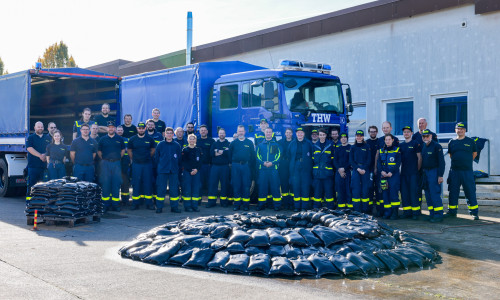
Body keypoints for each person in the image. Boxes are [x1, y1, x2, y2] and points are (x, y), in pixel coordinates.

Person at [447, 122, 479, 220]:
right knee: (453, 192)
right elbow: (451, 155)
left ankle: (474, 213)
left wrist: (466, 161)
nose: (460, 130)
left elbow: (475, 154)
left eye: (462, 129)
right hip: (454, 172)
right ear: (455, 130)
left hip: (467, 172)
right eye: (458, 129)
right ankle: (452, 212)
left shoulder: (470, 141)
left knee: (470, 192)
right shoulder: (451, 142)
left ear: (465, 130)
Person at [128, 122, 156, 211]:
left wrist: (147, 157)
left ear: (145, 129)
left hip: (147, 164)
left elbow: (153, 150)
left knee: (148, 183)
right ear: (137, 129)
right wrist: (135, 159)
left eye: (142, 128)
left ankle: (149, 203)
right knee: (136, 183)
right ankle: (135, 203)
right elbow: (129, 150)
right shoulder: (132, 139)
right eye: (139, 128)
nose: (141, 130)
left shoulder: (150, 139)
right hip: (136, 164)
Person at [98, 121, 125, 212]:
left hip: (116, 164)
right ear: (107, 128)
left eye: (112, 127)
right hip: (105, 163)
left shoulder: (119, 139)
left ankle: (115, 204)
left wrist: (116, 159)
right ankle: (105, 205)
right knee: (105, 184)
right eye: (109, 127)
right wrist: (106, 159)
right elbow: (99, 152)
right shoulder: (102, 139)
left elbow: (122, 151)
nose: (111, 128)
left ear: (115, 128)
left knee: (116, 184)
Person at [420, 129, 445, 222]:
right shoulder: (423, 146)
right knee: (428, 194)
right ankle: (432, 213)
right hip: (425, 173)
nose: (425, 138)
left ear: (431, 136)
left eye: (427, 136)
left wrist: (440, 175)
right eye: (424, 136)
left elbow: (442, 162)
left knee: (434, 194)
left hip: (434, 172)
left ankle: (438, 215)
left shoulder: (437, 146)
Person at [155, 127, 182, 213]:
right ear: (165, 134)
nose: (169, 135)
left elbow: (179, 158)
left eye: (171, 133)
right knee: (161, 189)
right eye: (168, 133)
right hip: (162, 170)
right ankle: (159, 207)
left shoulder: (177, 145)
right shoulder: (160, 145)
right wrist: (160, 167)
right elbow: (156, 158)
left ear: (173, 134)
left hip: (173, 170)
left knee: (174, 190)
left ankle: (174, 207)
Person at [229, 125, 256, 211]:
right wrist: (233, 164)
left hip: (246, 166)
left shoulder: (249, 142)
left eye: (242, 131)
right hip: (236, 166)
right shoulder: (233, 143)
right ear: (237, 132)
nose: (240, 133)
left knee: (246, 185)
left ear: (245, 132)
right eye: (239, 131)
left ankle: (246, 205)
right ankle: (237, 204)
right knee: (236, 185)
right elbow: (229, 155)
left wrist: (249, 165)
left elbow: (253, 156)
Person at [412, 117, 438, 205]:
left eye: (422, 123)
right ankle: (418, 208)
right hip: (419, 167)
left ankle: (434, 210)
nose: (421, 125)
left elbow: (436, 151)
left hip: (430, 167)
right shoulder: (415, 136)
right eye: (419, 123)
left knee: (431, 189)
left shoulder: (432, 135)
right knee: (418, 188)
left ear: (426, 124)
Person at [256, 127, 281, 211]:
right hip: (263, 169)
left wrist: (272, 163)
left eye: (270, 132)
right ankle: (261, 204)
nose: (268, 133)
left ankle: (277, 205)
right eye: (267, 132)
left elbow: (279, 156)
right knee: (262, 187)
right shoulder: (260, 144)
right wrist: (263, 163)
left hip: (273, 169)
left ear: (272, 133)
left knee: (275, 187)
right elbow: (257, 156)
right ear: (265, 133)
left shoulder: (276, 144)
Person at [400, 126, 422, 219]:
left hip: (413, 173)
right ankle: (407, 212)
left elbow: (419, 158)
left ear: (412, 133)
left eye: (408, 132)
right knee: (404, 193)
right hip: (404, 173)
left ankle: (416, 213)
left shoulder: (415, 143)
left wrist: (417, 170)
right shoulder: (401, 145)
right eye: (405, 132)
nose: (406, 133)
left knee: (414, 193)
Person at [288, 127, 313, 212]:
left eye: (301, 133)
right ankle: (297, 206)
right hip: (295, 166)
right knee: (296, 186)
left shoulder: (308, 143)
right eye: (298, 133)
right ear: (296, 134)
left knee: (305, 186)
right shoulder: (292, 143)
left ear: (304, 134)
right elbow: (289, 156)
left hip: (305, 166)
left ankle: (304, 206)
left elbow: (312, 156)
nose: (300, 134)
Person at [377, 134, 401, 220]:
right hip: (383, 176)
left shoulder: (397, 150)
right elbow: (379, 163)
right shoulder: (381, 151)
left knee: (393, 194)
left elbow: (398, 163)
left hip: (393, 176)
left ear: (392, 140)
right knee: (385, 194)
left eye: (389, 139)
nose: (387, 141)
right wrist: (382, 172)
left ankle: (394, 214)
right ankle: (387, 213)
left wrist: (391, 172)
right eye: (386, 140)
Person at [26, 121, 51, 202]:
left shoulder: (48, 138)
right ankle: (29, 204)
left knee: (43, 187)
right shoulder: (30, 138)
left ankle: (40, 204)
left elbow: (50, 149)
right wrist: (40, 155)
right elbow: (29, 148)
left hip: (44, 167)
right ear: (34, 128)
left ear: (43, 128)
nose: (40, 128)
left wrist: (46, 154)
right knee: (31, 186)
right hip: (33, 167)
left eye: (41, 127)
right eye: (38, 127)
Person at [207, 128, 231, 208]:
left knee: (224, 184)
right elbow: (211, 153)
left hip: (224, 167)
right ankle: (211, 202)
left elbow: (228, 154)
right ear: (218, 134)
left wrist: (218, 151)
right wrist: (223, 152)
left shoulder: (228, 143)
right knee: (213, 184)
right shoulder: (214, 143)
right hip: (215, 167)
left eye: (223, 133)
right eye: (220, 133)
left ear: (225, 134)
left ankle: (223, 202)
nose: (221, 134)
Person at [312, 128, 334, 209]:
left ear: (326, 135)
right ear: (318, 136)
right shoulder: (314, 146)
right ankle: (316, 208)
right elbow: (312, 160)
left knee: (329, 193)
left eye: (323, 135)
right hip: (317, 174)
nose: (322, 136)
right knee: (317, 193)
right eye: (320, 135)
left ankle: (330, 209)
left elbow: (333, 159)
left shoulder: (330, 145)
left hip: (327, 174)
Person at [350, 130, 371, 213]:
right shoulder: (353, 147)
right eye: (357, 136)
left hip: (365, 170)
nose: (359, 137)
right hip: (356, 169)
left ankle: (365, 210)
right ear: (355, 137)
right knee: (356, 190)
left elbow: (369, 159)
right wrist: (358, 168)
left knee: (365, 190)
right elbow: (351, 160)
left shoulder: (367, 146)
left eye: (360, 136)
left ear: (363, 137)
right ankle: (357, 210)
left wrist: (364, 168)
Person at [181, 134, 202, 212]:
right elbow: (183, 162)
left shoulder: (198, 150)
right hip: (187, 172)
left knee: (195, 189)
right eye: (190, 139)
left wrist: (196, 169)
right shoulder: (185, 150)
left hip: (196, 172)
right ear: (188, 140)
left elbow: (200, 162)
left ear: (195, 140)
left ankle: (195, 206)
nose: (192, 140)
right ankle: (187, 206)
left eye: (193, 139)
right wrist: (190, 170)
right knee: (187, 189)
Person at [197, 125, 215, 202]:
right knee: (198, 184)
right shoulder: (196, 141)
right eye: (202, 130)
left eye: (204, 130)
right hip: (199, 166)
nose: (203, 131)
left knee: (210, 184)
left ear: (207, 131)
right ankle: (198, 200)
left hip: (209, 166)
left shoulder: (212, 141)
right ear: (199, 132)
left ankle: (211, 202)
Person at [334, 132, 351, 209]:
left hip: (348, 172)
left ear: (347, 138)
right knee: (340, 191)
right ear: (340, 139)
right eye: (342, 137)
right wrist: (339, 170)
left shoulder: (351, 148)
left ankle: (349, 208)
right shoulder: (338, 148)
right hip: (339, 172)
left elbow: (351, 160)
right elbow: (335, 161)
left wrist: (344, 168)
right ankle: (341, 208)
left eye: (345, 137)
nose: (343, 138)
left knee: (348, 190)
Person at [278, 128, 293, 210]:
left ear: (292, 134)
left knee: (292, 184)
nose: (288, 134)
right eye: (286, 132)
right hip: (283, 165)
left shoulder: (295, 142)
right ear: (285, 134)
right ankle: (285, 202)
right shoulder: (280, 142)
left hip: (292, 164)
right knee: (284, 184)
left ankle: (292, 202)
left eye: (289, 132)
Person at [116, 125, 131, 206]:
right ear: (116, 131)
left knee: (125, 183)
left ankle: (125, 200)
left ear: (123, 131)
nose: (120, 131)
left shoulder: (127, 140)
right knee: (115, 183)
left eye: (121, 130)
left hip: (125, 164)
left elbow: (129, 151)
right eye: (118, 130)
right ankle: (115, 200)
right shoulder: (113, 139)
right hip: (115, 164)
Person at [366, 126, 379, 214]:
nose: (373, 133)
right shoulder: (366, 142)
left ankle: (379, 209)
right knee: (369, 189)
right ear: (369, 132)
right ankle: (369, 209)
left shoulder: (380, 141)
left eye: (374, 131)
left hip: (378, 169)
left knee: (378, 189)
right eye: (371, 132)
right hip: (369, 169)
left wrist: (377, 168)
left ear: (377, 132)